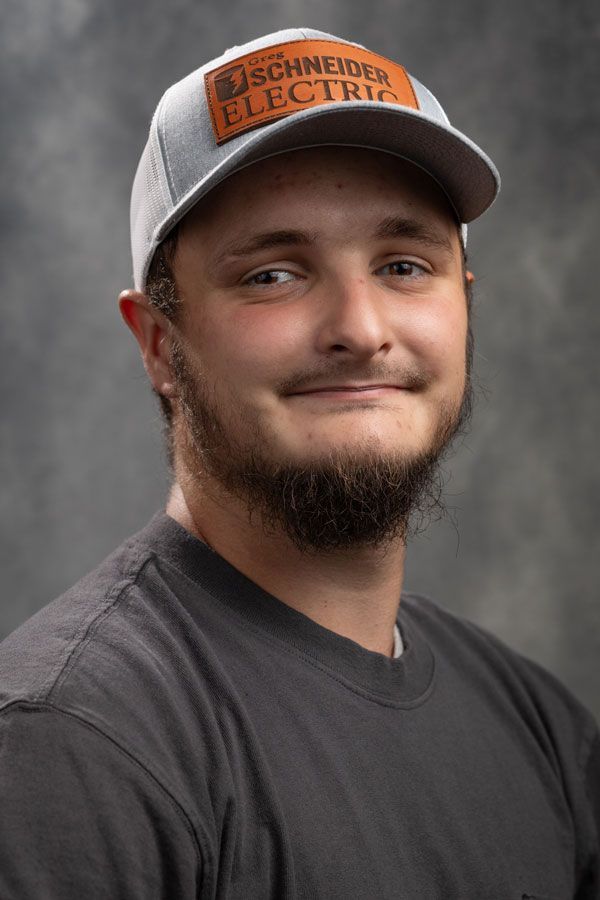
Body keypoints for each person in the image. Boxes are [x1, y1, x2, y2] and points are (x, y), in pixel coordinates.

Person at [0, 26, 598, 899]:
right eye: (273, 275)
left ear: (463, 307)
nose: (360, 327)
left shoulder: (539, 728)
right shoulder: (69, 750)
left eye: (403, 265)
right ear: (161, 343)